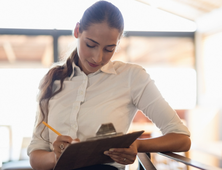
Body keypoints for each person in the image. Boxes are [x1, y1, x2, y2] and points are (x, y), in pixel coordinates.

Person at [27, 1, 191, 170]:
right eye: (91, 45)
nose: (97, 58)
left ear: (118, 44)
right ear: (77, 31)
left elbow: (181, 138)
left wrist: (138, 145)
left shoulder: (132, 78)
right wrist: (57, 157)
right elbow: (35, 155)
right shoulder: (52, 80)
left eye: (109, 49)